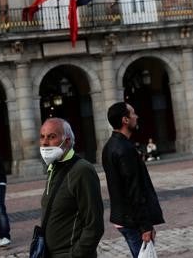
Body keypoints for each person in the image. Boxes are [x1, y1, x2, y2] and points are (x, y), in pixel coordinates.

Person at [102, 102, 164, 258]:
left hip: (122, 216)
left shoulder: (109, 146)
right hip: (133, 220)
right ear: (125, 120)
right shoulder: (125, 149)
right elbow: (134, 189)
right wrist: (145, 226)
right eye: (133, 113)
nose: (136, 116)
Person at [38, 117, 104, 256]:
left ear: (67, 141)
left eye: (52, 137)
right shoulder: (54, 166)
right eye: (42, 137)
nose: (44, 142)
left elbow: (94, 225)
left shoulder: (82, 170)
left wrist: (76, 254)